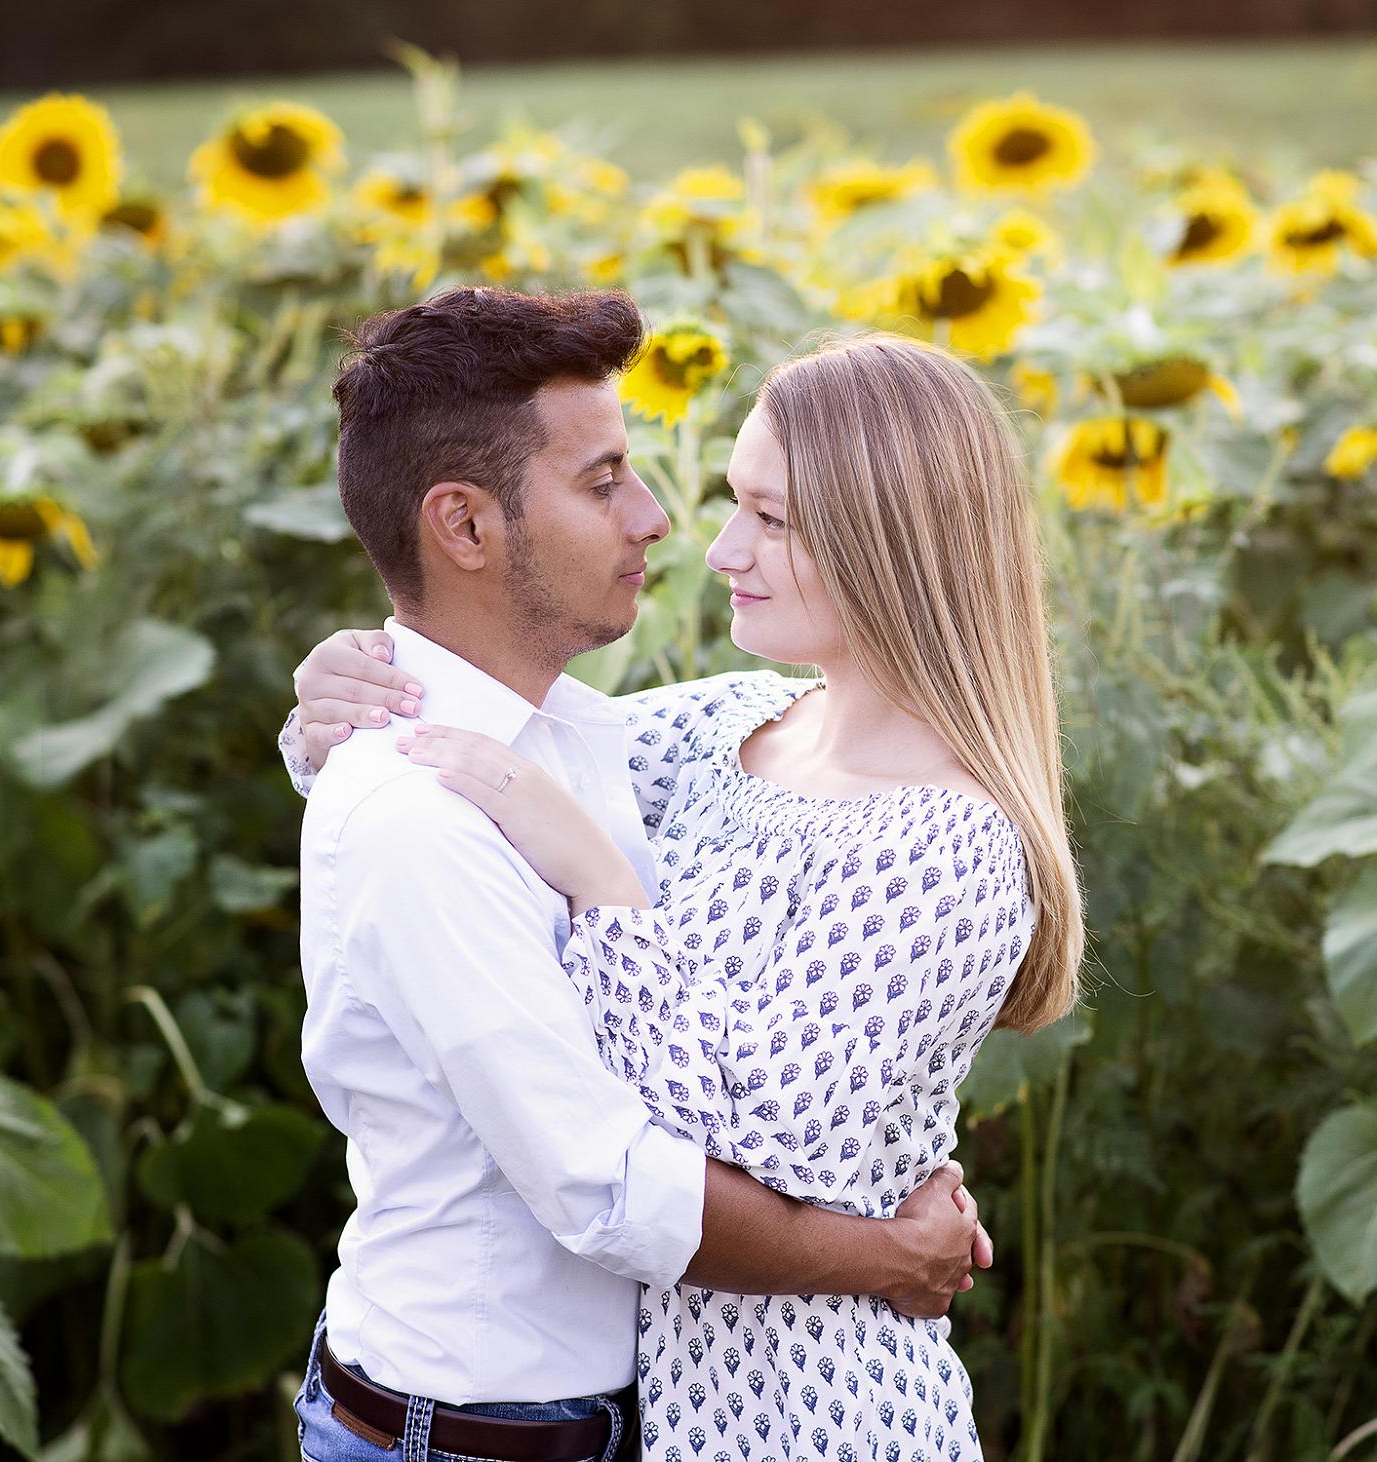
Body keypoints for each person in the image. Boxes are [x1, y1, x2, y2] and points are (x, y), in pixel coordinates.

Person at [287, 322, 1084, 1460]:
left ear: (890, 548)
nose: (701, 543)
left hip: (812, 1419)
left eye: (769, 517)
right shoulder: (725, 731)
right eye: (729, 503)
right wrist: (329, 705)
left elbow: (758, 1163)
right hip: (529, 1418)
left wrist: (605, 887)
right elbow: (466, 760)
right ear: (462, 524)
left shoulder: (941, 845)